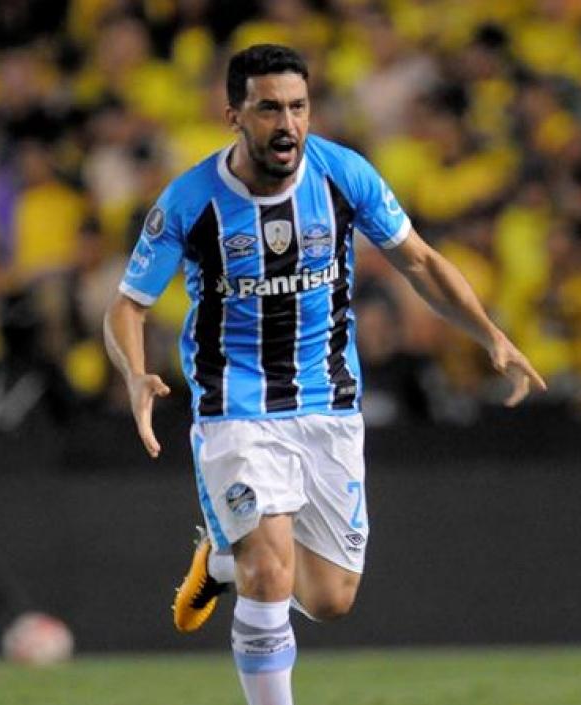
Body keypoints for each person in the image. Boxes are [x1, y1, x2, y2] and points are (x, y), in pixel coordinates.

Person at [103, 44, 544, 705]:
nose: (288, 124)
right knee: (270, 566)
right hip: (236, 403)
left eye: (299, 107)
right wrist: (136, 374)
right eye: (269, 108)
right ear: (234, 115)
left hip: (328, 401)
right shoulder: (191, 199)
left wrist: (490, 334)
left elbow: (419, 261)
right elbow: (127, 305)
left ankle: (219, 558)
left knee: (330, 597)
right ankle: (243, 565)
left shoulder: (343, 174)